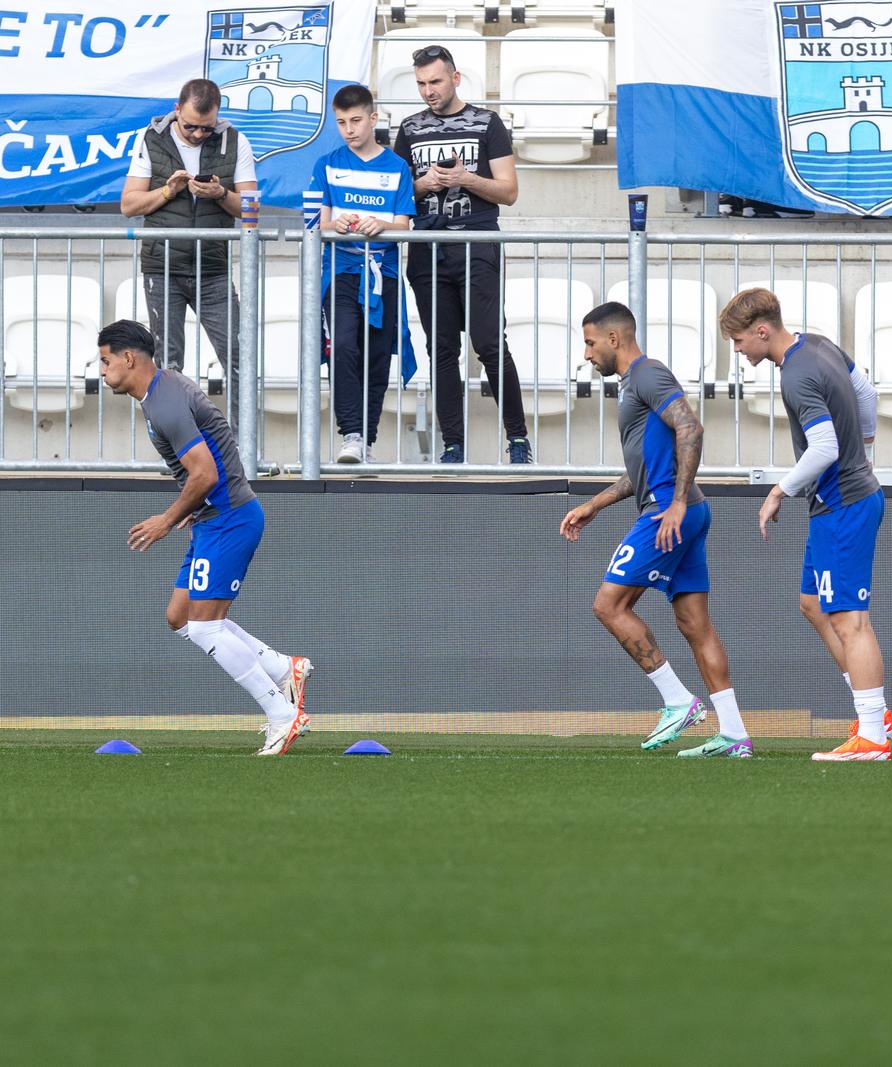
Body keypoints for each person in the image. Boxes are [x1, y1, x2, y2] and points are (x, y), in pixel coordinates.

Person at [96, 320, 311, 756]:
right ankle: (282, 667)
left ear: (128, 359)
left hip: (230, 517)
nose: (101, 370)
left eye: (105, 360)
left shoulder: (165, 403)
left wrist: (165, 520)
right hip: (212, 518)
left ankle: (283, 715)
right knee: (180, 617)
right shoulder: (160, 393)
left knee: (205, 626)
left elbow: (205, 473)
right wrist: (191, 512)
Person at [560, 303, 751, 757]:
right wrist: (595, 504)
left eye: (589, 343)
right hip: (682, 509)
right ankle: (734, 733)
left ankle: (678, 700)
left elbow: (691, 427)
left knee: (608, 605)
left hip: (670, 513)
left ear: (613, 339)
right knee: (694, 624)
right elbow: (642, 470)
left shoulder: (647, 374)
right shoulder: (634, 386)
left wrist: (676, 504)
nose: (586, 355)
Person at [719, 287, 892, 762]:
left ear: (762, 331)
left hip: (844, 504)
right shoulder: (817, 344)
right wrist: (867, 439)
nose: (737, 350)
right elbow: (865, 391)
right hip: (839, 501)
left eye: (738, 341)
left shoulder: (796, 374)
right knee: (814, 604)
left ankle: (874, 735)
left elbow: (824, 449)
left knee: (848, 619)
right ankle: (877, 715)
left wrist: (779, 491)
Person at [393, 45, 530, 464]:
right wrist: (424, 185)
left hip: (477, 244)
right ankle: (452, 445)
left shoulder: (487, 122)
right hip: (427, 249)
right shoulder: (410, 128)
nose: (428, 91)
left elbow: (508, 192)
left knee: (490, 345)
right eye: (420, 84)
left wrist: (466, 178)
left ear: (455, 78)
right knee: (442, 349)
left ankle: (518, 441)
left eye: (435, 81)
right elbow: (396, 195)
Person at [119, 78, 257, 425]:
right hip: (162, 268)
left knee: (241, 355)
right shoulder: (150, 139)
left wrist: (220, 195)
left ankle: (241, 447)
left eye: (206, 128)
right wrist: (167, 192)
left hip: (213, 269)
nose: (197, 134)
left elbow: (252, 209)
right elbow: (129, 205)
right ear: (176, 110)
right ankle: (178, 448)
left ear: (218, 117)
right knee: (167, 365)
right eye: (190, 126)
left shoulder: (235, 140)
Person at [312, 85, 414, 464]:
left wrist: (380, 225)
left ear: (373, 119)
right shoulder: (327, 163)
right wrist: (336, 223)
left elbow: (404, 225)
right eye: (341, 122)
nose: (349, 129)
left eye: (356, 120)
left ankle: (366, 440)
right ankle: (350, 434)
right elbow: (316, 224)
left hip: (383, 275)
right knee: (343, 348)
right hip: (340, 271)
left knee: (376, 357)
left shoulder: (396, 167)